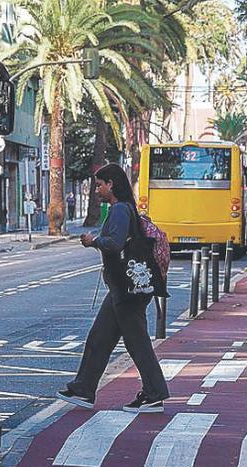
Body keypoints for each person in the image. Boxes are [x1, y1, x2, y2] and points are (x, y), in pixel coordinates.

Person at [58, 163, 169, 413]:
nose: (96, 190)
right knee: (100, 337)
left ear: (112, 184)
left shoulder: (120, 209)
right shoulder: (124, 208)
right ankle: (83, 388)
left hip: (127, 289)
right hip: (123, 287)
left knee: (137, 343)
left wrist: (93, 241)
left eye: (100, 185)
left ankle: (154, 394)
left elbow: (115, 244)